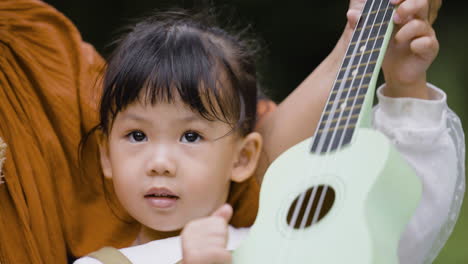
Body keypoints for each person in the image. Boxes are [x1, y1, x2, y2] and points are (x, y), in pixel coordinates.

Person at [0, 0, 462, 264]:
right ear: (104, 155)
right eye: (137, 136)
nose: (160, 160)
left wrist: (405, 86)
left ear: (244, 158)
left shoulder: (284, 240)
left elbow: (402, 226)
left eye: (191, 137)